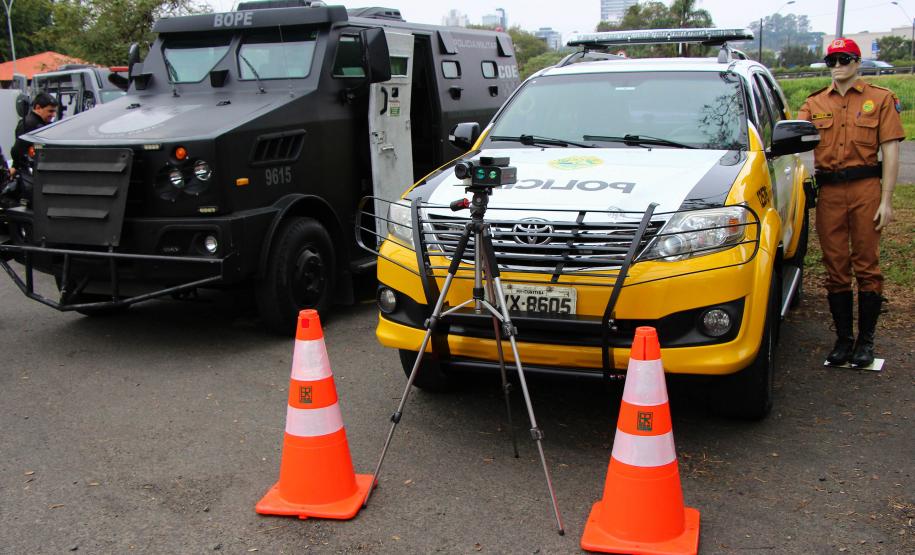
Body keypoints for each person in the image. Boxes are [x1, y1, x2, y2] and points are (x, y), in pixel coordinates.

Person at [797, 38, 904, 368]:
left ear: (858, 62)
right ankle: (843, 340)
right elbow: (794, 144)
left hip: (866, 189)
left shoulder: (880, 99)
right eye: (831, 60)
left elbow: (891, 150)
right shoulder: (813, 104)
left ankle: (865, 342)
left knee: (867, 264)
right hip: (830, 192)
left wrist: (886, 201)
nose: (837, 65)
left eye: (844, 59)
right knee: (835, 265)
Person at [11, 91, 59, 173]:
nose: (54, 115)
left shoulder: (43, 124)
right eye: (50, 111)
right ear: (38, 108)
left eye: (55, 111)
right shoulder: (29, 124)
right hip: (29, 173)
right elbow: (17, 151)